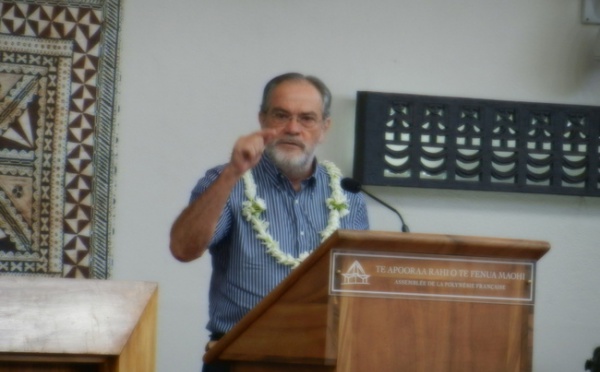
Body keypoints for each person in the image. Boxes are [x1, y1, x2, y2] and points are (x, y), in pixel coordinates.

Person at [169, 72, 369, 372]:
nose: (292, 128)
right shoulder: (228, 181)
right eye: (281, 115)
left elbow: (357, 285)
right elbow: (184, 249)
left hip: (325, 358)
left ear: (324, 128)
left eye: (307, 119)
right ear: (262, 119)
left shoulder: (348, 194)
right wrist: (232, 173)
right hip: (241, 358)